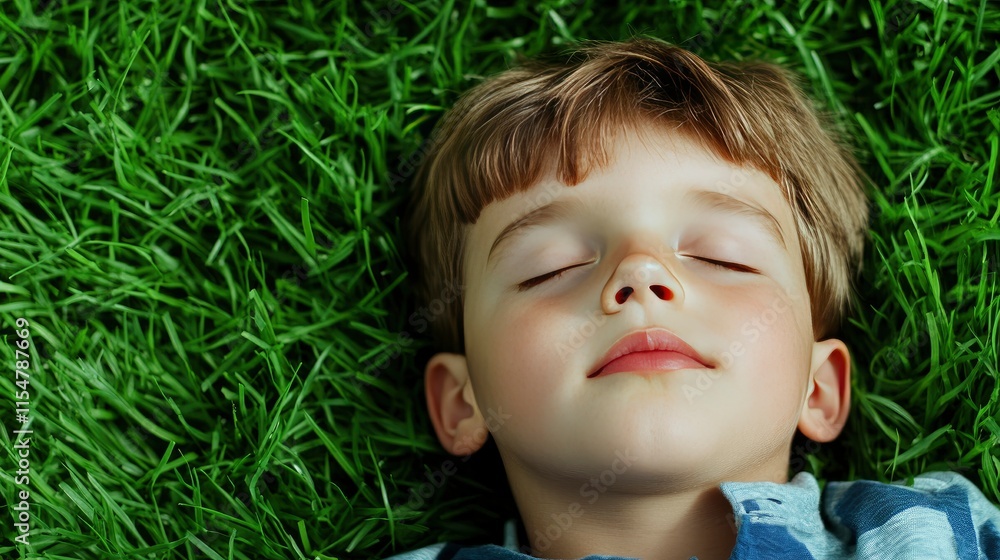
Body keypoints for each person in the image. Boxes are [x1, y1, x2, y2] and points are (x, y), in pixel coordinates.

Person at [392, 36, 1000, 560]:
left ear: (816, 388)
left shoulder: (940, 534)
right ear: (463, 401)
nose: (640, 274)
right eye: (553, 268)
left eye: (721, 256)